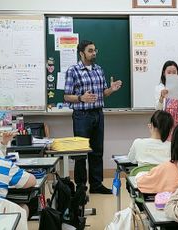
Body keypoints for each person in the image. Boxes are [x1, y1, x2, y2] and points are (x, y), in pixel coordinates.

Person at [64, 40, 122, 194]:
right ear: (82, 53)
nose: (94, 53)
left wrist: (111, 89)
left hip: (98, 113)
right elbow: (66, 96)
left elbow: (102, 94)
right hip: (82, 116)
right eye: (90, 50)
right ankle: (81, 187)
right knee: (81, 153)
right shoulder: (73, 71)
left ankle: (96, 185)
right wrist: (80, 98)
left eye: (95, 50)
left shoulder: (99, 70)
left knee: (97, 151)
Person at [137, 122, 178, 193]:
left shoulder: (165, 168)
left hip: (171, 203)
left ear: (174, 144)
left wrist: (139, 175)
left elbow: (141, 183)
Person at [155, 61, 178, 129]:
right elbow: (158, 108)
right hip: (165, 121)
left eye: (174, 72)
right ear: (164, 73)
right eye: (169, 72)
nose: (172, 74)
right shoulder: (159, 88)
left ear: (177, 73)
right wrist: (161, 97)